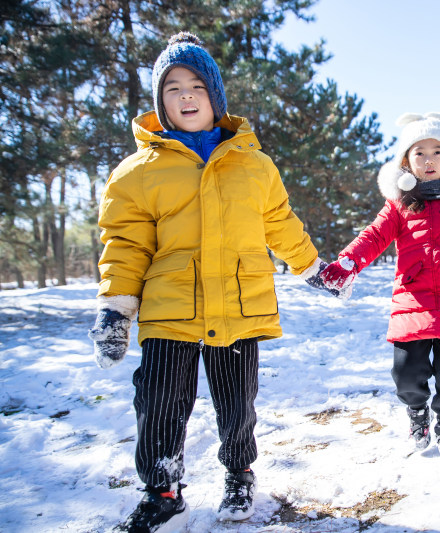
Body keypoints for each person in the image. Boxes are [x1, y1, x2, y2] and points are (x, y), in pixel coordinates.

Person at [88, 32, 336, 532]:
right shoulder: (136, 173)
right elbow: (126, 244)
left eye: (196, 85)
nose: (185, 96)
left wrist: (311, 266)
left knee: (237, 400)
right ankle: (161, 488)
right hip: (169, 307)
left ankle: (239, 473)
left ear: (215, 97)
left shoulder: (255, 165)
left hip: (239, 305)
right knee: (157, 400)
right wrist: (116, 308)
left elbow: (280, 224)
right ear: (160, 103)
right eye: (172, 88)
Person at [320, 113, 440, 460]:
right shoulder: (400, 205)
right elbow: (374, 236)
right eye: (420, 153)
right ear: (406, 161)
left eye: (437, 152)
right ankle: (417, 412)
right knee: (406, 374)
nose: (429, 160)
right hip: (413, 302)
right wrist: (349, 261)